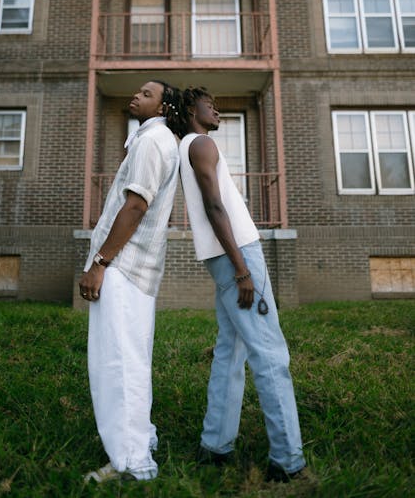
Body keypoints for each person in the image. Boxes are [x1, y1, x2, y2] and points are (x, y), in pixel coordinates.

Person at [178, 86, 307, 483]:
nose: (216, 109)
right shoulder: (200, 144)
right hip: (238, 256)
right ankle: (288, 461)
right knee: (269, 354)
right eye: (210, 104)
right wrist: (242, 270)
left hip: (221, 257)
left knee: (229, 351)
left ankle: (215, 445)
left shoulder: (187, 145)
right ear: (190, 110)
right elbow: (215, 207)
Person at [79, 80, 182, 484]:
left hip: (122, 268)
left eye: (146, 93)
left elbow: (136, 204)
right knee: (132, 364)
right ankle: (141, 441)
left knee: (116, 365)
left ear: (164, 108)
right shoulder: (155, 140)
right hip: (136, 270)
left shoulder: (151, 142)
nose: (136, 95)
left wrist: (100, 262)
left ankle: (129, 463)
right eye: (137, 90)